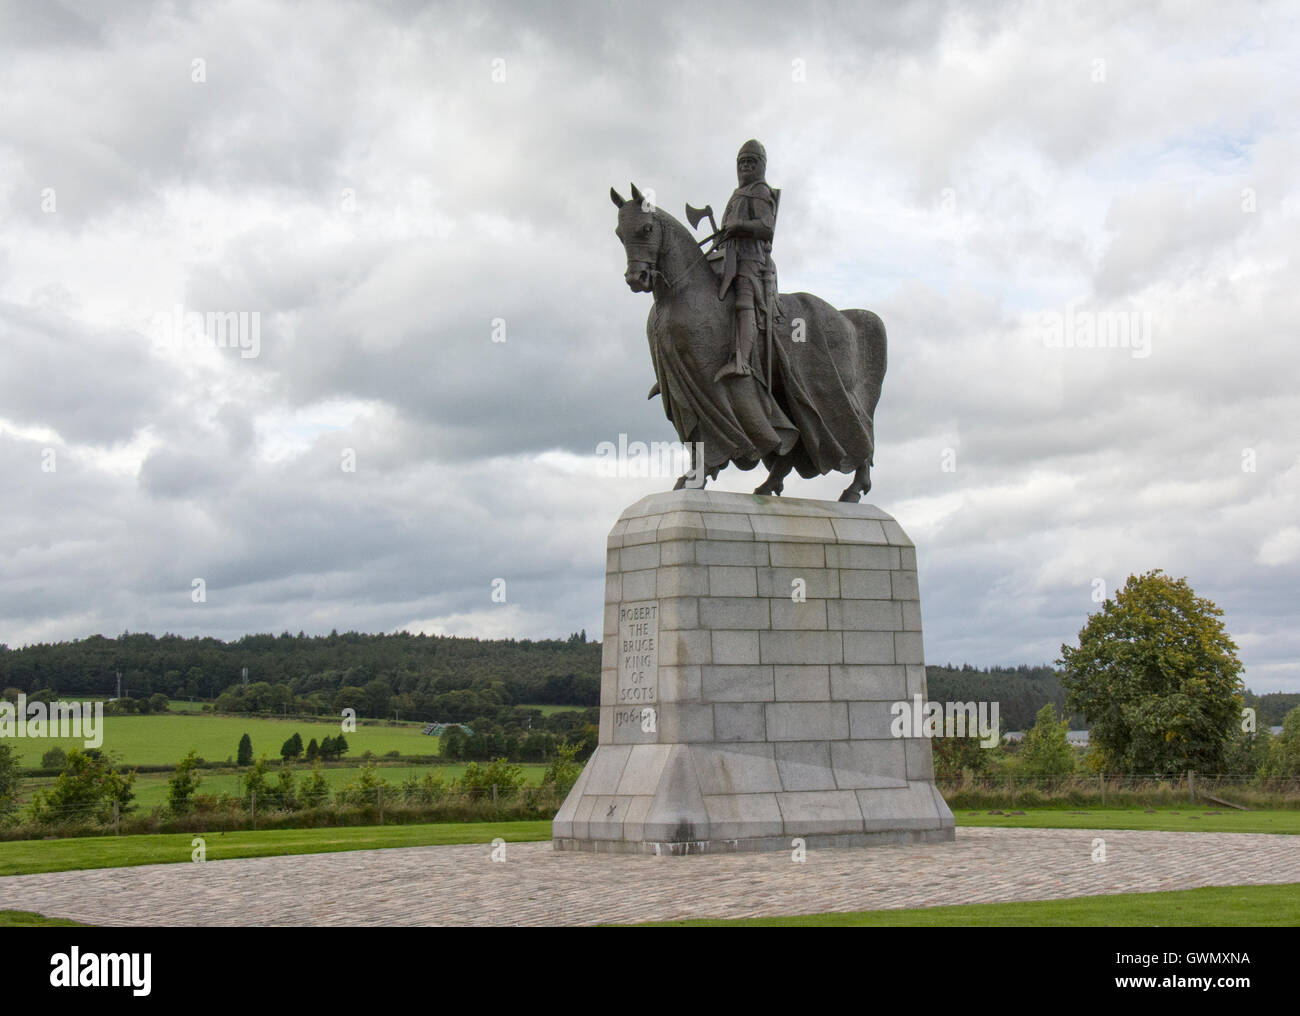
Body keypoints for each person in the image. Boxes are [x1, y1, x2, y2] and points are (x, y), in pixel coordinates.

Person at [715, 139, 778, 381]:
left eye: (751, 162)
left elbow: (767, 226)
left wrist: (739, 226)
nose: (746, 166)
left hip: (752, 259)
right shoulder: (736, 194)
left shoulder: (760, 191)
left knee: (744, 296)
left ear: (761, 165)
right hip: (729, 256)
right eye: (742, 162)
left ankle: (742, 360)